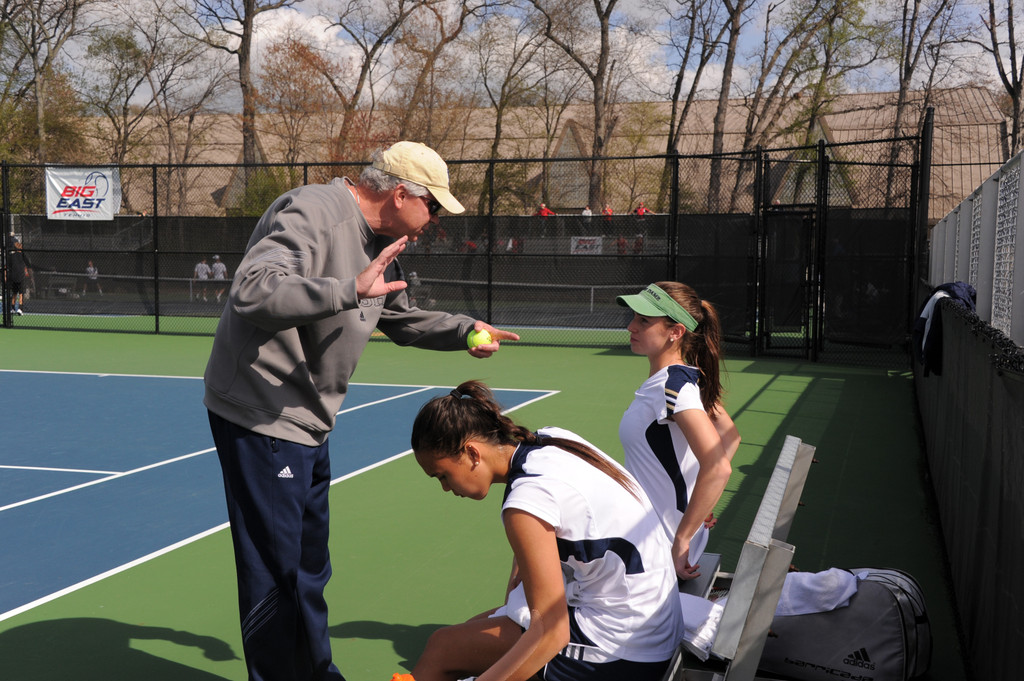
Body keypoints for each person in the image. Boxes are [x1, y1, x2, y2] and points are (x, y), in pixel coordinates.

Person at [203, 140, 519, 681]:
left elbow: (397, 314)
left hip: (308, 421)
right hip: (263, 414)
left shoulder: (377, 242)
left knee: (308, 567)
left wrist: (464, 329)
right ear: (400, 194)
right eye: (433, 208)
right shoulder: (314, 211)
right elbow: (253, 291)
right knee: (275, 572)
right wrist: (348, 289)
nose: (434, 222)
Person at [405, 380, 683, 681]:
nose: (445, 488)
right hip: (655, 621)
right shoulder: (551, 439)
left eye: (443, 476)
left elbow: (553, 632)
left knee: (443, 649)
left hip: (625, 650)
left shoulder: (524, 503)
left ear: (472, 453)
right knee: (464, 633)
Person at [616, 282, 740, 582]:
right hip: (650, 533)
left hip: (658, 546)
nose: (632, 325)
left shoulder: (674, 388)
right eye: (634, 317)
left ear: (676, 332)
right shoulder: (677, 380)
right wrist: (700, 503)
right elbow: (730, 434)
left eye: (644, 321)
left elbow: (719, 466)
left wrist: (683, 537)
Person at [5, 240, 32, 315]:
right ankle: (20, 308)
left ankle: (12, 308)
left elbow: (7, 267)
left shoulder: (11, 256)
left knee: (14, 293)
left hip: (13, 277)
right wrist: (30, 276)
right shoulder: (23, 255)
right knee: (21, 293)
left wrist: (6, 276)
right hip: (21, 277)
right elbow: (29, 266)